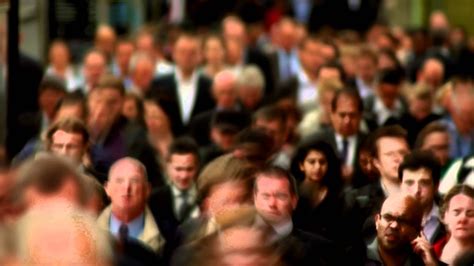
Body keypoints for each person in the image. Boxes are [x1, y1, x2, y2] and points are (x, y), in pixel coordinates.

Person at [253, 166, 341, 265]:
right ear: (255, 199)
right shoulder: (235, 241)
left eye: (280, 196)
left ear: (294, 201)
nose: (272, 204)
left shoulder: (321, 249)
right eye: (266, 196)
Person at [87, 75, 162, 187]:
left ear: (123, 102)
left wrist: (88, 168)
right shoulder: (90, 129)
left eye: (112, 102)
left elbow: (127, 176)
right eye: (102, 102)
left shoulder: (134, 134)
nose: (106, 107)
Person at [351, 125, 411, 242]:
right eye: (390, 154)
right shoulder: (357, 200)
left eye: (402, 153)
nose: (398, 159)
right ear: (376, 162)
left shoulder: (422, 195)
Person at [148, 33, 215, 136]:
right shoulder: (158, 84)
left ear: (200, 56)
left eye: (192, 53)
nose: (187, 57)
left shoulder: (209, 86)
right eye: (182, 52)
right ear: (174, 54)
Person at [98, 157, 165, 254]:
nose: (127, 187)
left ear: (147, 190)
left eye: (134, 181)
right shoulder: (86, 232)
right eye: (119, 180)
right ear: (107, 188)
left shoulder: (169, 235)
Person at [303, 88, 367, 187]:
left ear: (360, 116)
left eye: (352, 115)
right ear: (332, 114)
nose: (347, 121)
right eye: (342, 115)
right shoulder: (314, 142)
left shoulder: (370, 143)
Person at [148, 138, 200, 243]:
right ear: (167, 167)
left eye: (189, 169)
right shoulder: (153, 200)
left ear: (197, 167)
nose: (184, 176)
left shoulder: (205, 197)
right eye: (178, 169)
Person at [365, 194, 438, 266]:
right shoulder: (356, 258)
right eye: (388, 217)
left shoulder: (429, 263)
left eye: (403, 221)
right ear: (377, 221)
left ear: (417, 231)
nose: (394, 226)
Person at [398, 150, 445, 244]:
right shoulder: (386, 218)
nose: (416, 190)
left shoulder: (448, 219)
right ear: (400, 185)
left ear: (436, 186)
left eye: (424, 183)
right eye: (409, 183)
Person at [433, 185, 474, 265]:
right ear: (445, 216)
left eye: (470, 214)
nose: (462, 219)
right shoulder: (430, 253)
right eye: (456, 212)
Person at [253, 105, 291, 169]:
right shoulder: (238, 158)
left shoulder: (286, 165)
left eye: (272, 133)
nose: (265, 136)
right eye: (261, 130)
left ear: (284, 135)